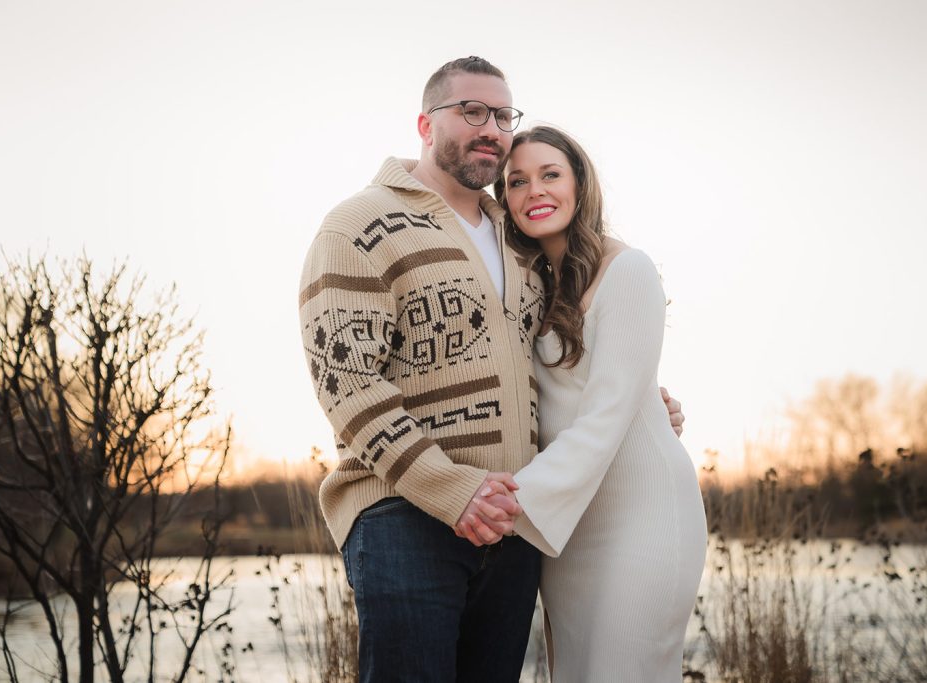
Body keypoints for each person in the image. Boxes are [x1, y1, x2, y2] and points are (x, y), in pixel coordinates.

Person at [298, 57, 684, 682]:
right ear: (425, 124)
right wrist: (454, 492)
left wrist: (642, 401)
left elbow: (562, 354)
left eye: (503, 115)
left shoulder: (520, 237)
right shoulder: (360, 225)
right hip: (404, 516)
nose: (491, 128)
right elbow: (348, 385)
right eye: (471, 111)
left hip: (512, 524)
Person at [466, 126, 708, 681]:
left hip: (640, 513)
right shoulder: (526, 287)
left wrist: (504, 504)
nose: (534, 191)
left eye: (550, 174)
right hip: (567, 526)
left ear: (580, 184)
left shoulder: (628, 269)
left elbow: (606, 417)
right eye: (517, 181)